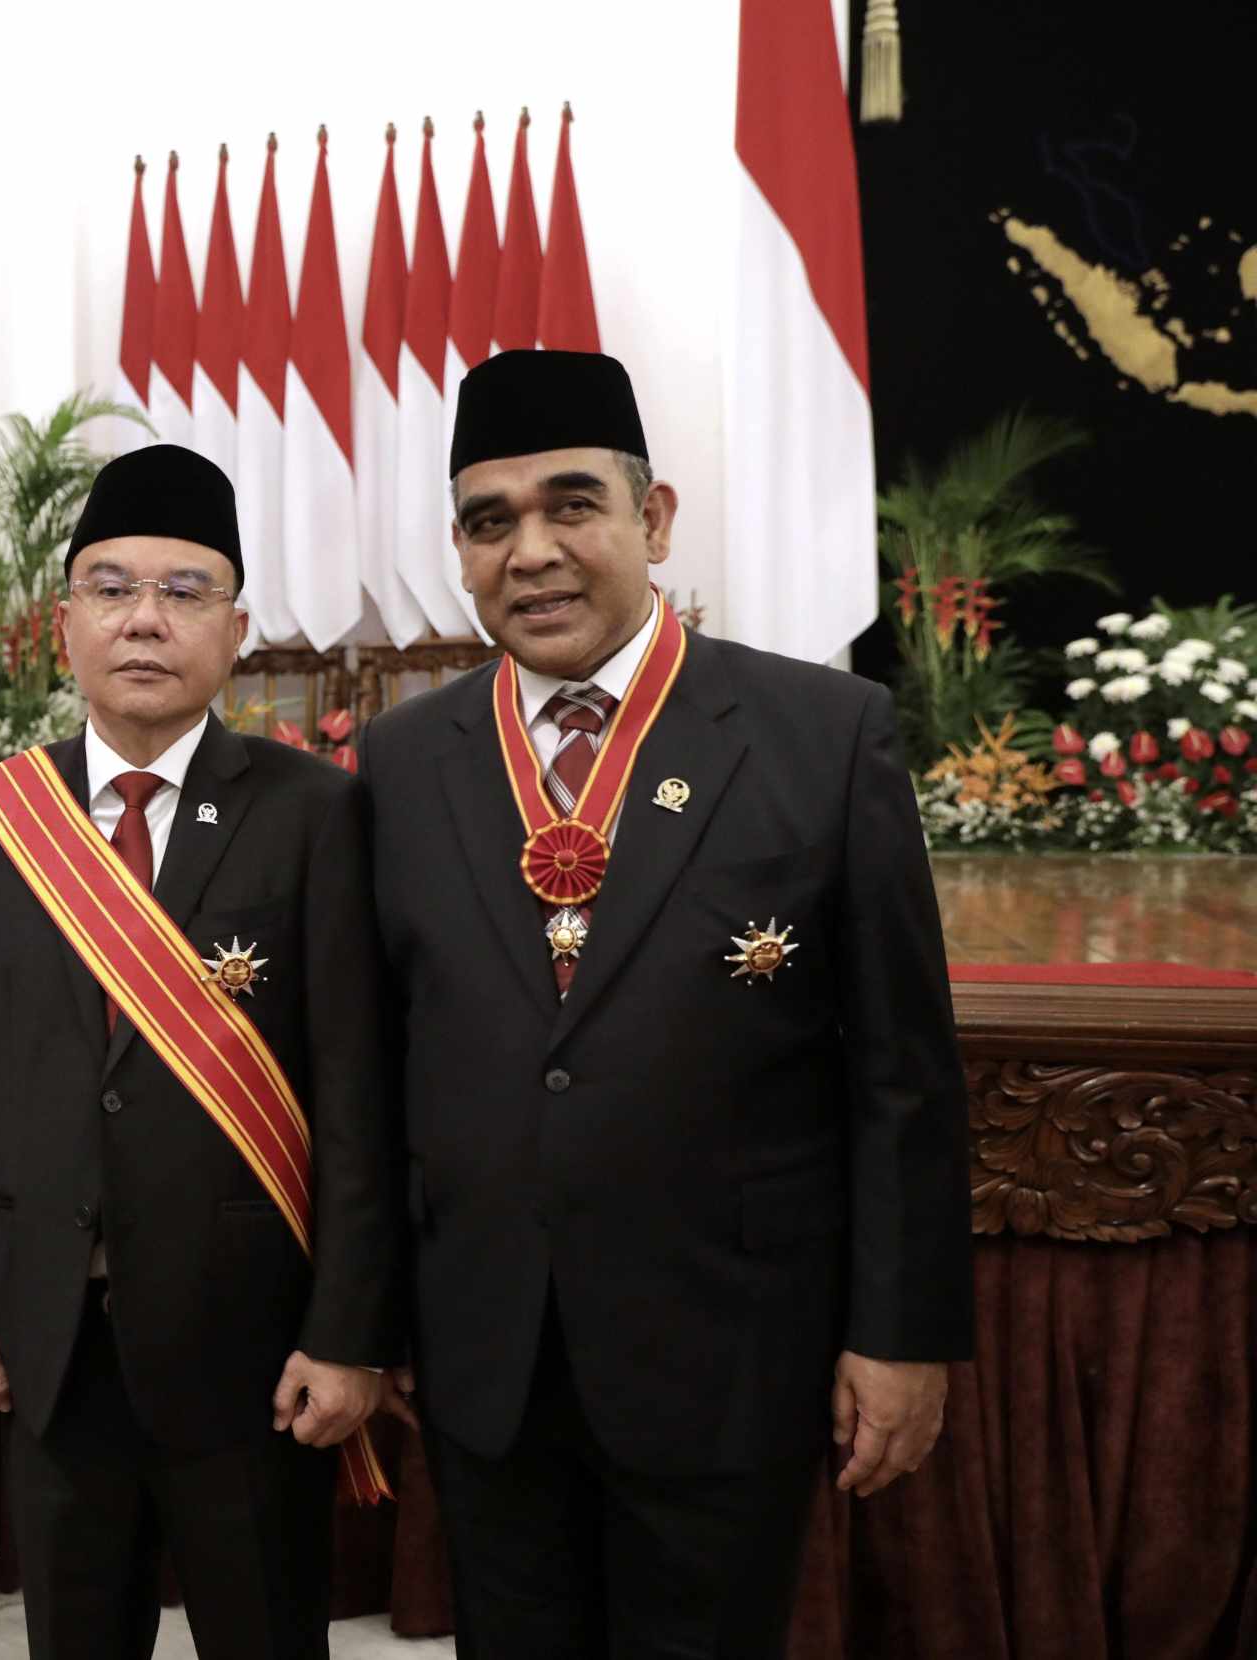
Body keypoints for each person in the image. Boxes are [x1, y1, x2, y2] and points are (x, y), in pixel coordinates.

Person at [358, 350, 975, 1656]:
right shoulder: (403, 762)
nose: (531, 551)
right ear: (461, 553)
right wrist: (373, 1315)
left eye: (572, 504)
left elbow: (903, 1074)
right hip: (486, 1358)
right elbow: (375, 1067)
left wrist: (902, 1337)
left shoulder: (822, 733)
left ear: (655, 518)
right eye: (489, 521)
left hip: (729, 1353)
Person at [0, 444, 407, 1660]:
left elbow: (357, 1095)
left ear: (235, 630)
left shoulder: (314, 811)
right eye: (112, 587)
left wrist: (349, 1332)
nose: (144, 619)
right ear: (63, 622)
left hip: (253, 1346)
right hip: (48, 1340)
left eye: (184, 591)